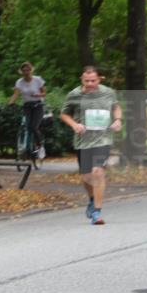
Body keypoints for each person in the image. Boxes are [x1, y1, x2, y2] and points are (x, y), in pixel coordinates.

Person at [59, 66, 123, 225]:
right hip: (83, 141)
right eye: (86, 81)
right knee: (86, 176)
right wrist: (74, 125)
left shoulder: (108, 92)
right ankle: (92, 199)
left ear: (99, 79)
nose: (90, 84)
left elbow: (116, 107)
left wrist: (117, 120)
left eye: (93, 80)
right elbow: (64, 114)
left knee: (98, 172)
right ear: (82, 79)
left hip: (103, 139)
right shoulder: (74, 95)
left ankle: (97, 212)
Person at [8, 62, 47, 159]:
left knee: (34, 127)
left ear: (31, 70)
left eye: (28, 70)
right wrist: (10, 102)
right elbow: (16, 94)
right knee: (26, 126)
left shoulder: (38, 80)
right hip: (27, 106)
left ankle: (40, 146)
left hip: (38, 105)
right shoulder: (19, 82)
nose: (26, 72)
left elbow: (44, 93)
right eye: (24, 71)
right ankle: (25, 147)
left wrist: (38, 95)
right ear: (21, 72)